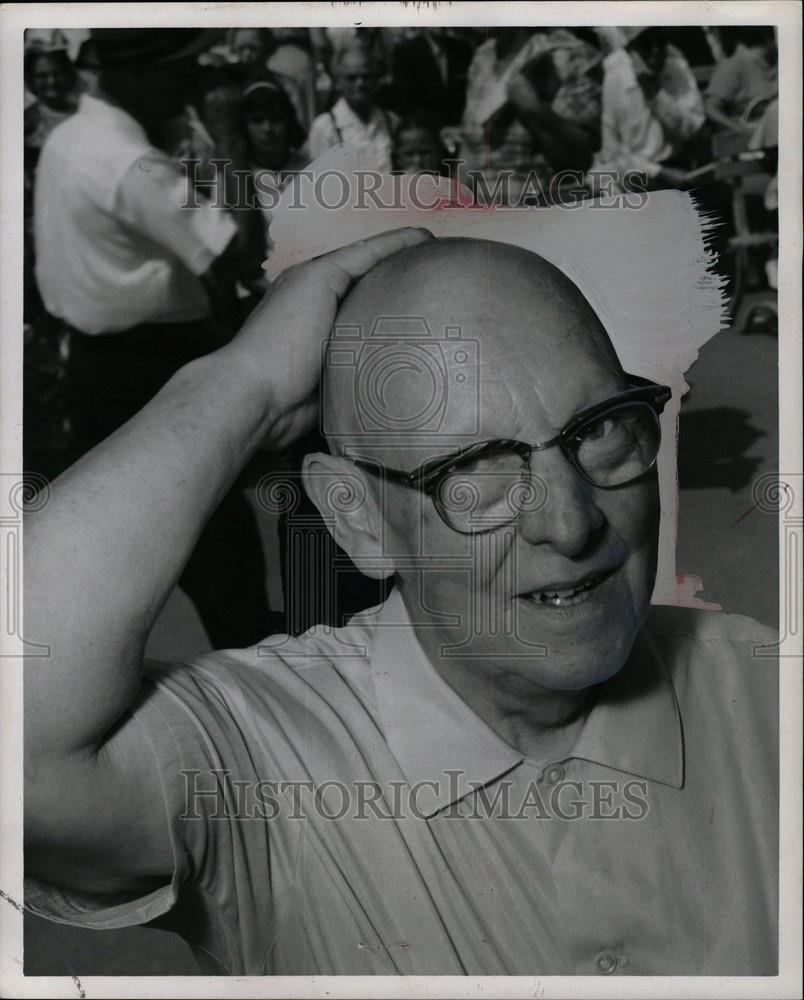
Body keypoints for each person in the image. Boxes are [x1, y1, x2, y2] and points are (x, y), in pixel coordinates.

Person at [26, 229, 777, 975]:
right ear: (356, 518)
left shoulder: (764, 687)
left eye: (600, 428)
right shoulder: (264, 763)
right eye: (477, 466)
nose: (571, 520)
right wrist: (241, 386)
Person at [32, 28, 272, 649]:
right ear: (137, 75)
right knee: (221, 550)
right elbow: (239, 246)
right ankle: (252, 683)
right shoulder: (127, 161)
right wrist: (227, 138)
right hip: (149, 367)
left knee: (131, 544)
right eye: (182, 68)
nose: (194, 82)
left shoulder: (73, 136)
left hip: (94, 362)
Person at [591, 26, 705, 191]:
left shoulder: (676, 66)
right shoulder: (616, 77)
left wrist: (657, 95)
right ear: (631, 49)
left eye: (661, 42)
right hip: (638, 173)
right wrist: (658, 172)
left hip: (682, 168)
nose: (656, 51)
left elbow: (692, 129)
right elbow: (612, 149)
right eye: (646, 44)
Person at [307, 42, 398, 171]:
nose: (360, 83)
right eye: (351, 78)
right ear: (338, 82)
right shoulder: (325, 127)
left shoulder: (391, 121)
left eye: (366, 76)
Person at [389, 28, 474, 125]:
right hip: (427, 131)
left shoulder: (462, 49)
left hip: (464, 128)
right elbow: (405, 105)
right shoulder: (405, 53)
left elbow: (472, 96)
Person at [705, 27, 778, 134]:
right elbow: (710, 107)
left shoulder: (780, 59)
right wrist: (739, 130)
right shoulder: (735, 62)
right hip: (754, 135)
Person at [392, 110, 450, 175]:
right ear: (398, 158)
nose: (418, 160)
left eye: (425, 152)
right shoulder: (389, 184)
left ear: (439, 152)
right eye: (409, 154)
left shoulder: (453, 181)